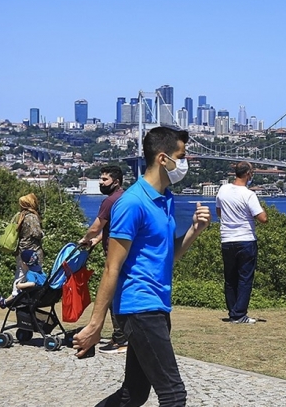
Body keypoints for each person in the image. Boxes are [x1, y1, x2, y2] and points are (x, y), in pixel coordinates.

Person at [72, 126, 211, 407]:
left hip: (158, 305)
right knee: (173, 395)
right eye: (181, 156)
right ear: (163, 159)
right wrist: (96, 324)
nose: (184, 163)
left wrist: (195, 230)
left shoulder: (166, 200)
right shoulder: (132, 203)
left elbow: (167, 258)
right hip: (139, 307)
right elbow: (112, 267)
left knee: (133, 393)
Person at [78, 165, 127, 353]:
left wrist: (85, 239)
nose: (100, 182)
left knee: (112, 297)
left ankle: (121, 339)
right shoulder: (124, 198)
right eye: (100, 179)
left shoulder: (109, 201)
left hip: (115, 258)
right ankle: (122, 336)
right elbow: (110, 229)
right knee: (120, 296)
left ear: (116, 182)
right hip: (126, 254)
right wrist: (97, 241)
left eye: (104, 180)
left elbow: (96, 227)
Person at [216, 161, 267, 324]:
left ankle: (233, 311)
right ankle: (239, 314)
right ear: (247, 174)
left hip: (227, 239)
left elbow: (219, 212)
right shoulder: (248, 194)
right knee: (245, 278)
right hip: (245, 239)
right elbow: (263, 218)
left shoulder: (222, 190)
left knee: (230, 278)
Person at [13, 193, 44, 297]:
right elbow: (37, 233)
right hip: (32, 251)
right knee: (34, 274)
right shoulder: (32, 217)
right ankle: (27, 297)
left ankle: (15, 296)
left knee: (20, 274)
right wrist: (43, 233)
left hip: (21, 249)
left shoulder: (21, 215)